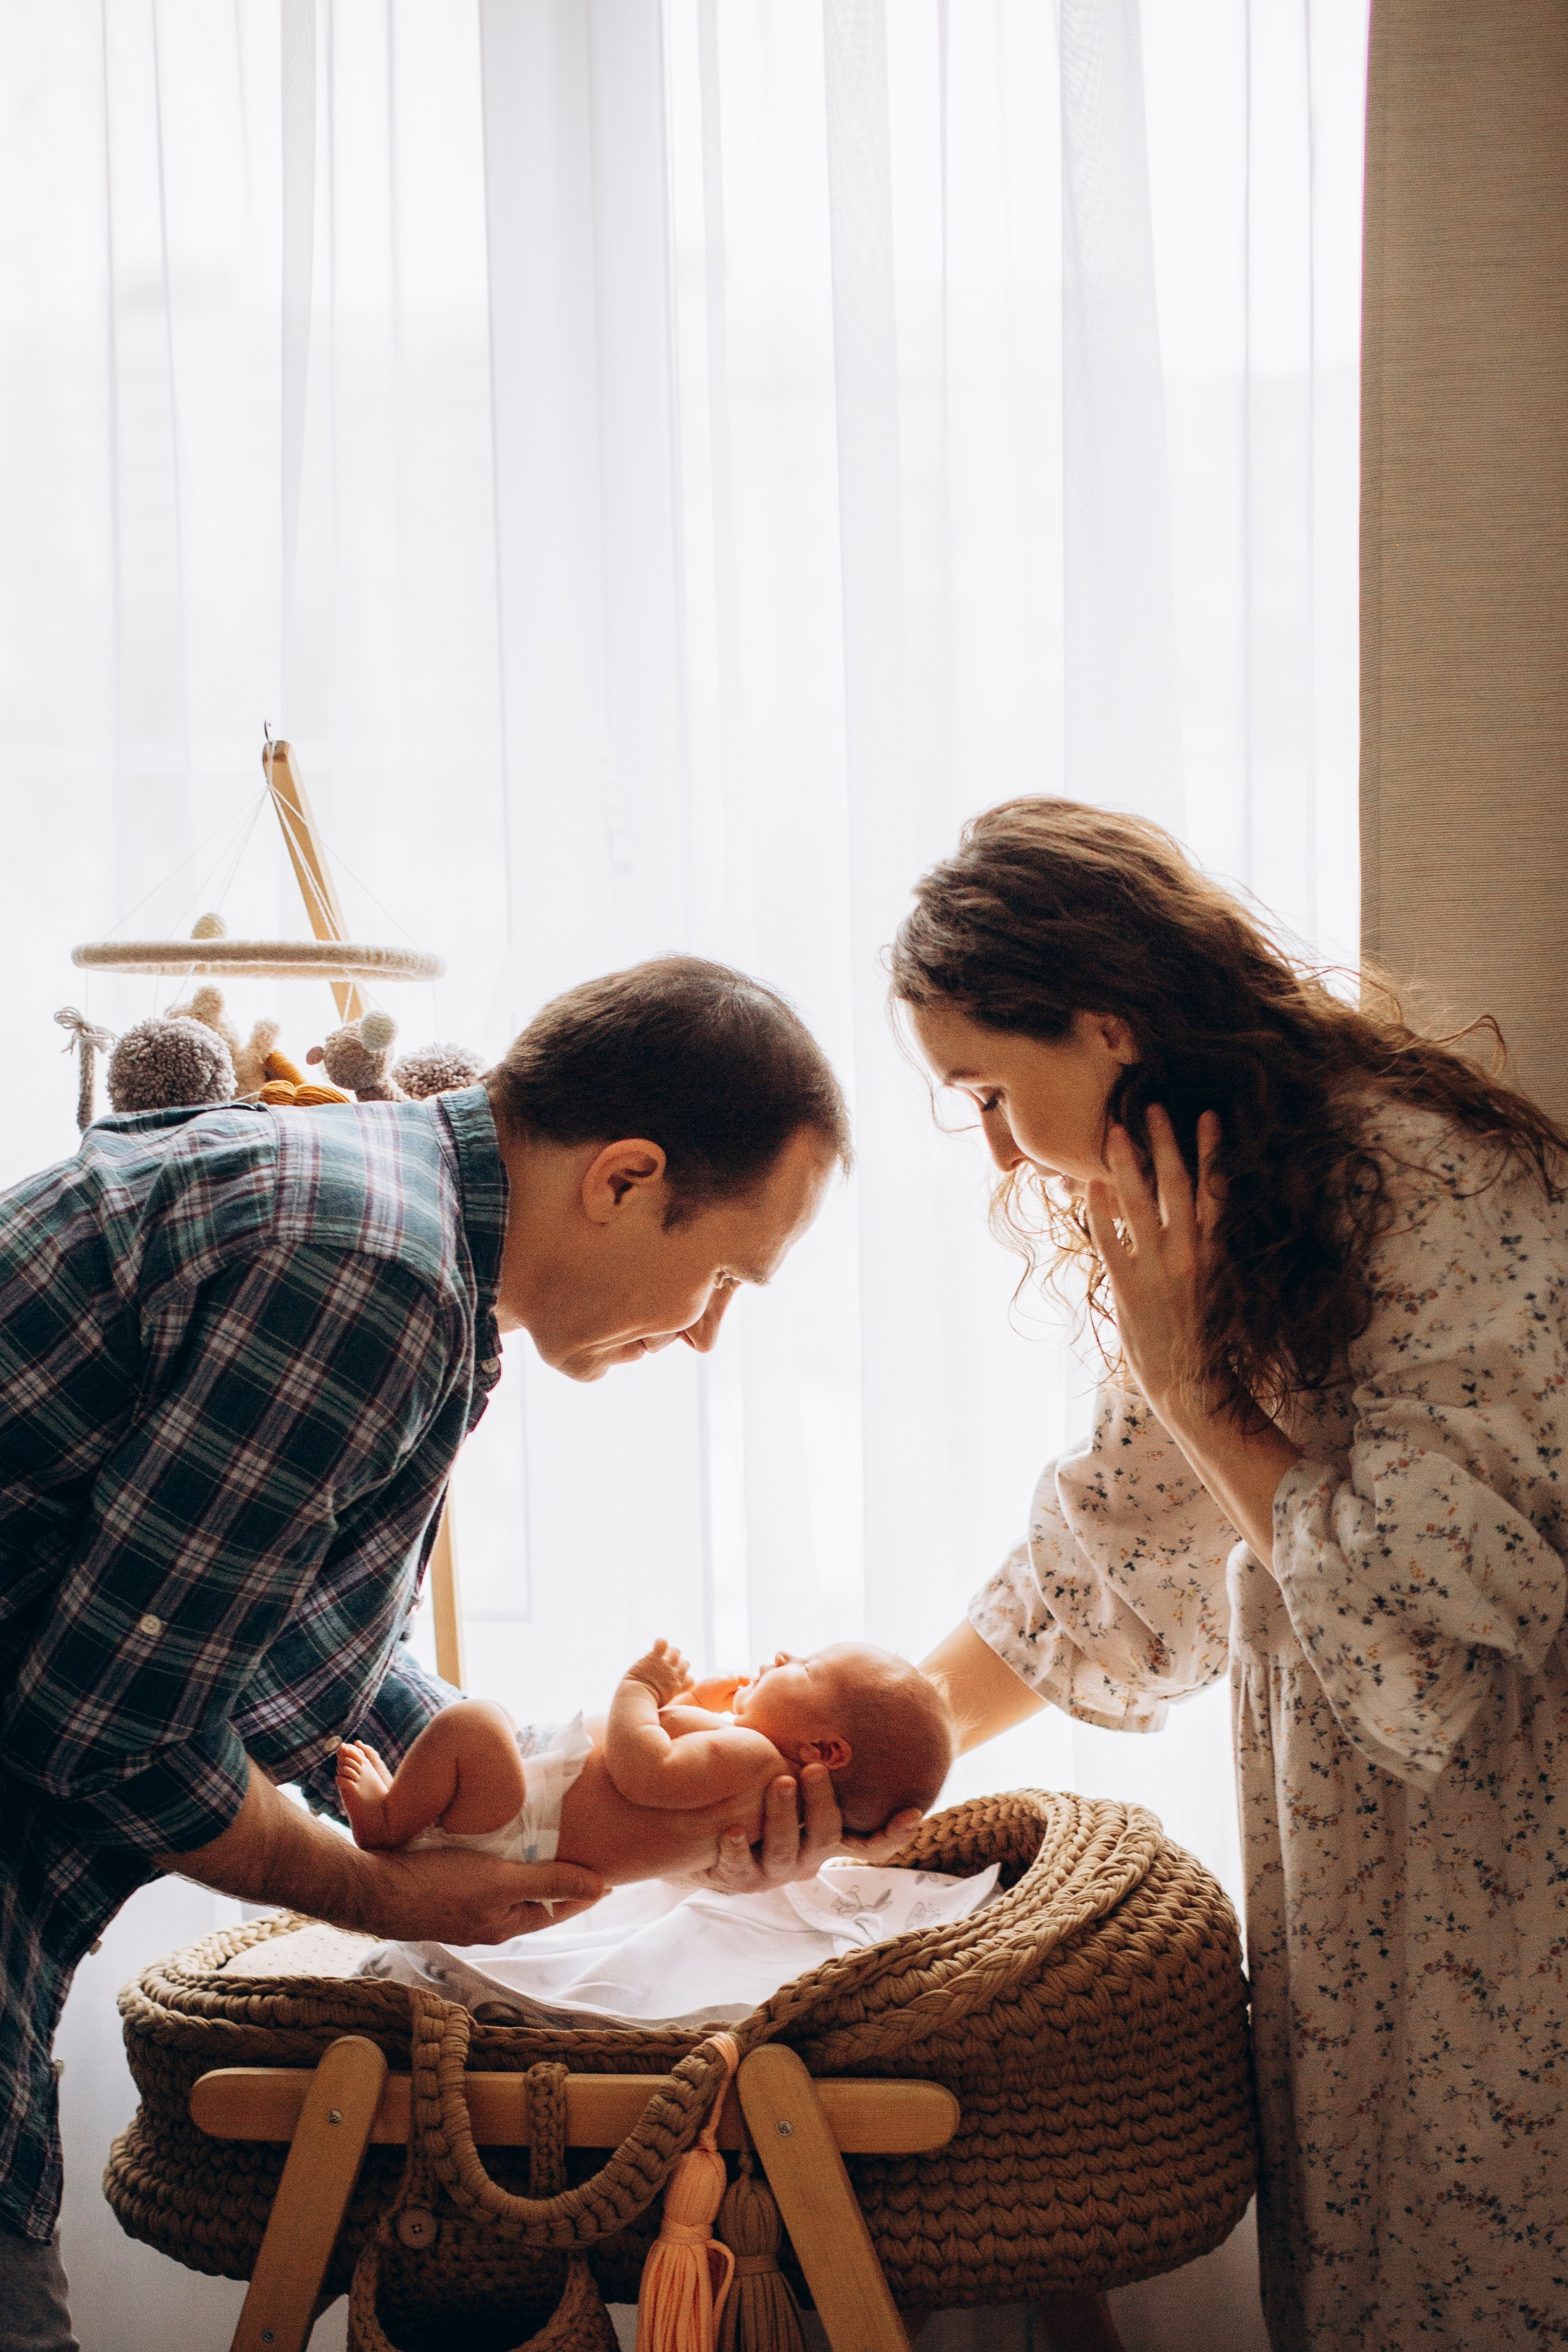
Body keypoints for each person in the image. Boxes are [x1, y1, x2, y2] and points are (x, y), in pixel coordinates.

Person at [0, 956, 916, 2350]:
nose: (710, 1333)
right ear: (621, 1179)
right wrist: (386, 1893)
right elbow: (111, 1725)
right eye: (722, 1272)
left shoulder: (388, 1226)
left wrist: (611, 1832)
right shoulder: (369, 1277)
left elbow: (304, 1666)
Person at [889, 799, 1568, 2350]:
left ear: (1107, 1022)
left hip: (1503, 1852)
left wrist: (1197, 1392)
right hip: (1365, 1871)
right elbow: (1122, 1548)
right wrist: (876, 1739)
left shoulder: (1417, 1180)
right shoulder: (1201, 1193)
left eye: (991, 1091)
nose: (994, 1150)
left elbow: (1447, 1603)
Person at [335, 1637, 956, 1878]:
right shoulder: (753, 1777)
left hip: (522, 1822)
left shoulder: (752, 1758)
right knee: (478, 1731)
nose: (786, 1655)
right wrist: (698, 1702)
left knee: (475, 1724)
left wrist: (640, 1687)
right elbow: (678, 1764)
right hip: (530, 1834)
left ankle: (387, 1822)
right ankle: (401, 1816)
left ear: (824, 1750)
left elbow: (646, 1772)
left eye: (809, 1667)